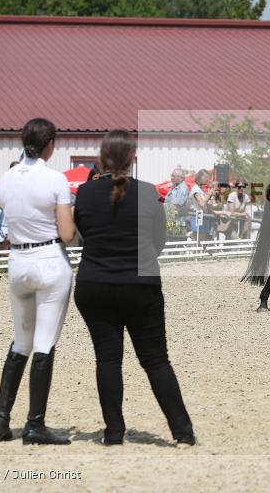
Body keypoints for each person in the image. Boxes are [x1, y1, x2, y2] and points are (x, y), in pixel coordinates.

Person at [73, 130, 195, 446]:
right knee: (156, 360)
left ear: (102, 157)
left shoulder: (85, 193)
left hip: (94, 284)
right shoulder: (148, 192)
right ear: (131, 159)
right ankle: (182, 433)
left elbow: (83, 233)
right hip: (140, 285)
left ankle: (114, 433)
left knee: (108, 359)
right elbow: (160, 240)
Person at [0, 118, 75, 445]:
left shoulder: (7, 178)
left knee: (20, 343)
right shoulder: (55, 179)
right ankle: (34, 424)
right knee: (44, 343)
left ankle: (0, 422)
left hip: (18, 263)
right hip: (49, 261)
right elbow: (66, 234)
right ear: (49, 143)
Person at [189, 169, 216, 241]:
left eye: (208, 177)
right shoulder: (195, 189)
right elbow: (202, 203)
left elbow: (206, 204)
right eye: (206, 177)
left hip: (204, 216)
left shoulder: (202, 190)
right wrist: (209, 193)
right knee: (197, 239)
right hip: (197, 215)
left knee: (204, 239)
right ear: (200, 177)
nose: (207, 179)